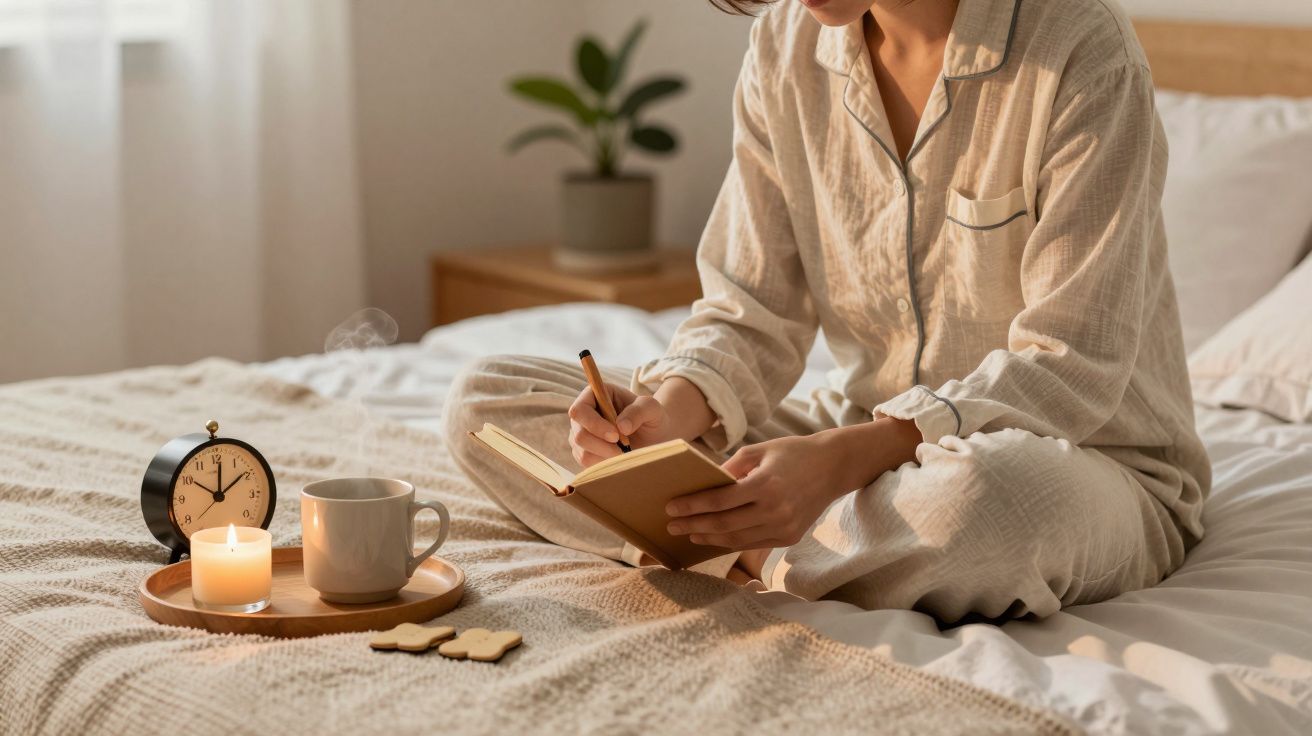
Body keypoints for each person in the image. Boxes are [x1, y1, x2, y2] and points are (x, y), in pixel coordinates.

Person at [443, 0, 1210, 623]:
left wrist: (841, 463)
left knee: (987, 507)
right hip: (853, 435)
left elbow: (1071, 363)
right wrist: (670, 410)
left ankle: (723, 541)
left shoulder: (1080, 47)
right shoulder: (785, 45)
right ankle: (776, 540)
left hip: (1084, 457)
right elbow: (751, 309)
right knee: (484, 402)